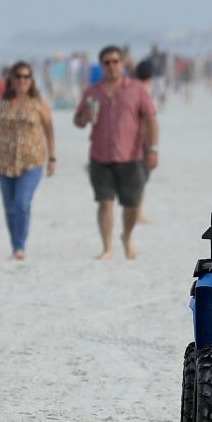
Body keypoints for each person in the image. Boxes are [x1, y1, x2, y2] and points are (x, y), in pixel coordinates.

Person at [73, 44, 159, 260]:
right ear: (101, 65)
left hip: (130, 155)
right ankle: (107, 247)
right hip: (100, 155)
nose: (111, 66)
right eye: (107, 62)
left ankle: (126, 237)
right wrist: (83, 118)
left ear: (122, 64)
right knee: (104, 201)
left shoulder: (137, 89)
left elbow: (150, 119)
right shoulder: (92, 91)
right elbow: (78, 120)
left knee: (131, 205)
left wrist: (153, 149)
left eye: (115, 62)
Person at [0, 61, 56, 260]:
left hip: (32, 160)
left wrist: (52, 158)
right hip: (5, 161)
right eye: (18, 76)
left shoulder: (39, 102)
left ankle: (20, 246)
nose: (22, 80)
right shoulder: (2, 102)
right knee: (9, 206)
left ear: (31, 80)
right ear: (11, 78)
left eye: (26, 77)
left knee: (22, 202)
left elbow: (49, 130)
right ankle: (15, 245)